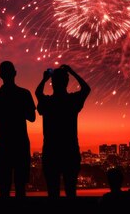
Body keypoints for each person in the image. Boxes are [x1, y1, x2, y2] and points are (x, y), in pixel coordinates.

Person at [35, 64, 91, 198]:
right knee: (71, 192)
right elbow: (86, 89)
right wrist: (72, 71)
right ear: (67, 82)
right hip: (70, 151)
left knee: (52, 192)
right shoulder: (72, 101)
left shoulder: (48, 102)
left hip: (51, 151)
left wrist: (44, 79)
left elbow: (38, 93)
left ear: (52, 83)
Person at [0, 61, 36, 198]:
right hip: (21, 144)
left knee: (4, 186)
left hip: (4, 145)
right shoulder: (24, 94)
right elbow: (32, 118)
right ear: (15, 73)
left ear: (0, 75)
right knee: (21, 186)